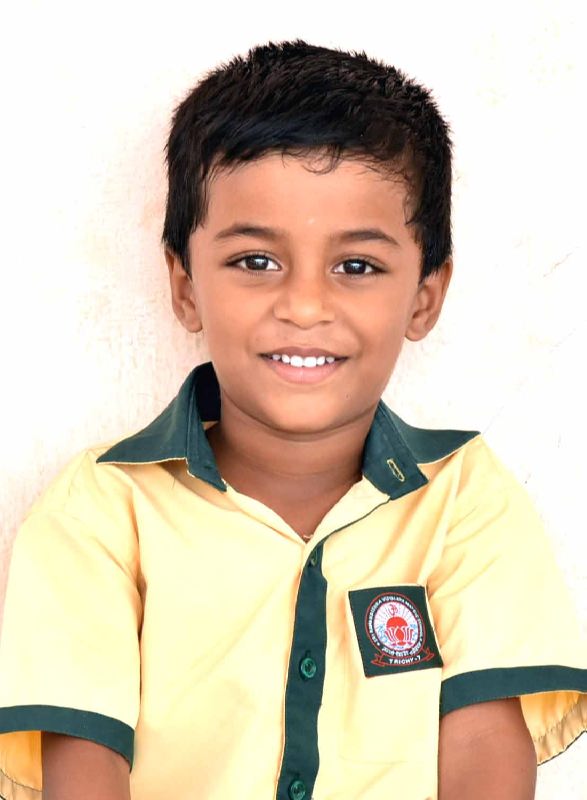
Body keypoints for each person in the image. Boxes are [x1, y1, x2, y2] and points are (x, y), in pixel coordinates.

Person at [0, 40, 585, 800]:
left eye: (356, 266)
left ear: (424, 298)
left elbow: (482, 750)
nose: (305, 306)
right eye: (256, 261)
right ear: (184, 285)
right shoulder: (103, 508)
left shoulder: (463, 498)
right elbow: (84, 765)